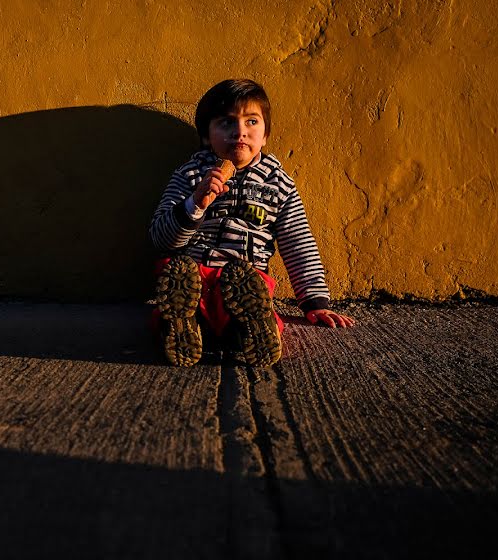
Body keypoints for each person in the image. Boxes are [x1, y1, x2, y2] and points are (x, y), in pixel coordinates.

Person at [149, 79, 355, 367]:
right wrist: (194, 204)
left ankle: (250, 332)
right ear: (207, 136)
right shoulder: (190, 175)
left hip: (246, 281)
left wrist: (315, 301)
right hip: (193, 276)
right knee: (177, 285)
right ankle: (182, 327)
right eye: (226, 123)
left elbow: (298, 241)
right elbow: (160, 240)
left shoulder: (278, 184)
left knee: (253, 304)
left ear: (266, 134)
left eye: (252, 121)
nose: (240, 132)